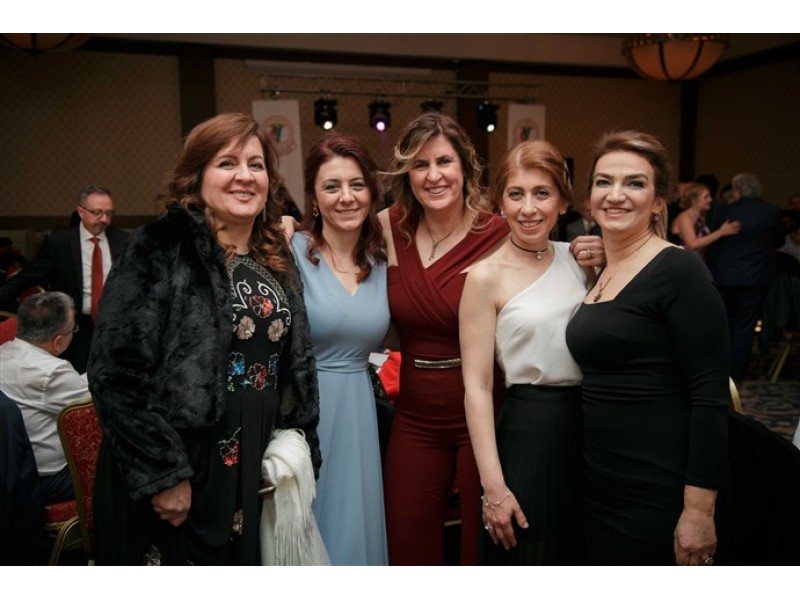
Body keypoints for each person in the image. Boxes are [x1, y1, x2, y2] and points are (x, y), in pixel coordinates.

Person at [87, 112, 320, 566]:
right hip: (180, 464)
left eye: (256, 165)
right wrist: (163, 473)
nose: (244, 176)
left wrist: (292, 446)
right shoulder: (160, 246)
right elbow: (115, 374)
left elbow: (294, 366)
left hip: (251, 461)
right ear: (196, 176)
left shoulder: (275, 255)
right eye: (227, 163)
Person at [378, 112, 604, 565]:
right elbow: (331, 241)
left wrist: (602, 251)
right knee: (404, 536)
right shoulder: (389, 225)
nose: (434, 175)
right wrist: (288, 230)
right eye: (420, 164)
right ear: (407, 173)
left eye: (444, 161)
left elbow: (544, 259)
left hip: (488, 408)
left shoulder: (500, 231)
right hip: (417, 408)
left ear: (465, 168)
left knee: (483, 547)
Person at [565, 130, 730, 566]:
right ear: (589, 198)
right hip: (601, 482)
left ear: (658, 202)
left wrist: (699, 512)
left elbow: (710, 397)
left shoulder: (680, 271)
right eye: (604, 182)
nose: (615, 194)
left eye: (634, 183)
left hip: (659, 488)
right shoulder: (605, 269)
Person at [461, 140, 594, 565]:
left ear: (563, 201)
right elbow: (477, 387)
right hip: (531, 433)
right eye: (516, 194)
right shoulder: (485, 277)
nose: (529, 208)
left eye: (542, 193)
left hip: (595, 429)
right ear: (500, 202)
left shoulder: (583, 261)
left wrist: (609, 256)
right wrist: (493, 487)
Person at [291, 133, 389, 565]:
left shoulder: (383, 260)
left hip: (361, 415)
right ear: (314, 198)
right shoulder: (289, 252)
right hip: (304, 415)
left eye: (356, 185)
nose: (346, 197)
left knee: (356, 529)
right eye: (332, 187)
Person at [0, 184, 129, 373]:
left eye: (109, 213)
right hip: (74, 329)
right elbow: (26, 278)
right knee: (76, 380)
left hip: (115, 327)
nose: (104, 219)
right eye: (97, 212)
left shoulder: (124, 241)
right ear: (81, 211)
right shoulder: (59, 243)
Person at [0, 291, 89, 504]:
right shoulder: (52, 372)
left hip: (12, 470)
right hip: (46, 480)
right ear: (58, 341)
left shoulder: (4, 351)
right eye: (73, 329)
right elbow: (95, 407)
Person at [707, 172, 784, 382]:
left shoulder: (724, 210)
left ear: (737, 190)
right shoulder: (771, 212)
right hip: (755, 275)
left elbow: (714, 242)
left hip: (724, 273)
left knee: (725, 321)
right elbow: (779, 241)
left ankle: (720, 368)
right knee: (745, 323)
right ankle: (736, 371)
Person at [669, 182, 740, 262]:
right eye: (705, 197)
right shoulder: (684, 217)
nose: (710, 199)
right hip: (684, 263)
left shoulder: (700, 217)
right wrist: (721, 232)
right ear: (694, 200)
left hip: (697, 262)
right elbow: (692, 244)